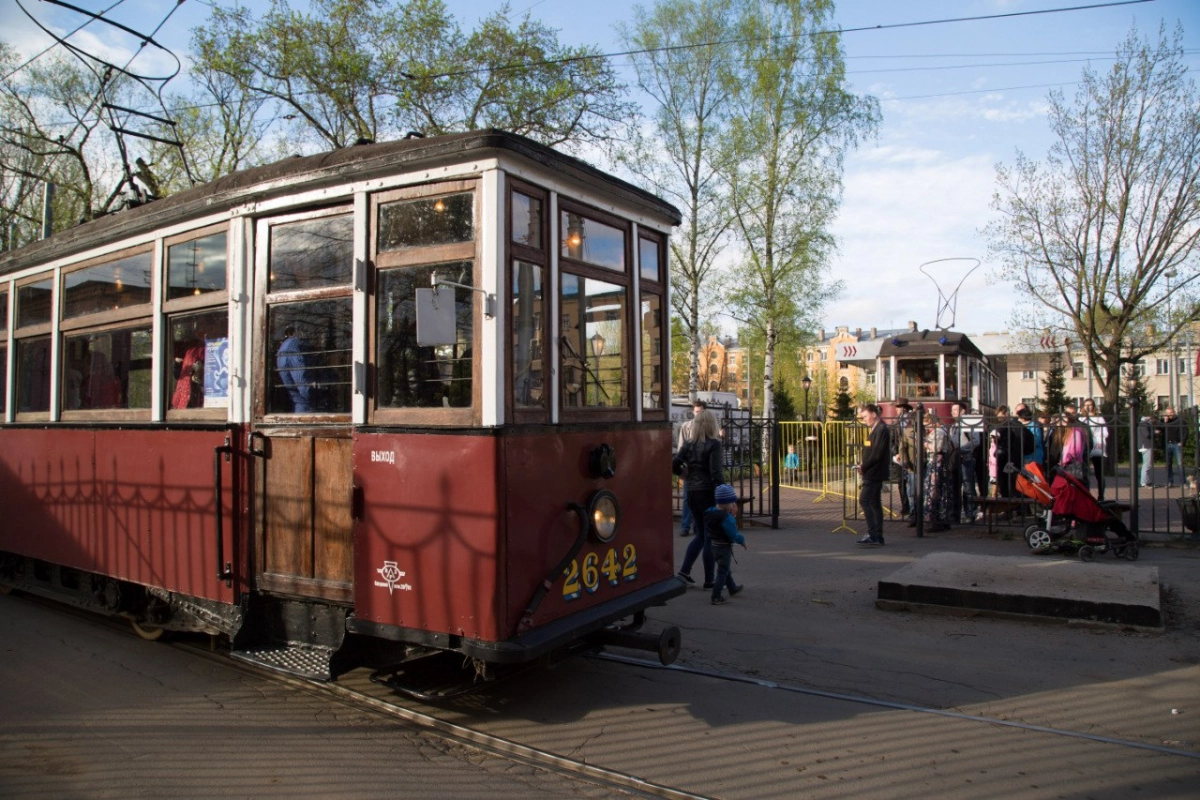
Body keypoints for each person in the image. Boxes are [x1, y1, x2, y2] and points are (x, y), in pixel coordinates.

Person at [674, 408, 724, 587]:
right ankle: (709, 580)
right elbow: (716, 473)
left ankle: (684, 571)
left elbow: (674, 464)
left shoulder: (688, 443)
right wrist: (725, 497)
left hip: (692, 493)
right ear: (712, 424)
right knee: (709, 536)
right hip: (708, 493)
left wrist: (684, 473)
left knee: (702, 535)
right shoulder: (714, 444)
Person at [855, 403, 890, 546]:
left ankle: (873, 533)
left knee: (865, 500)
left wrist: (864, 466)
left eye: (865, 417)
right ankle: (877, 535)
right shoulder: (876, 429)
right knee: (875, 503)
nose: (864, 420)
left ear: (874, 414)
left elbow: (877, 454)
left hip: (874, 472)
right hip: (872, 471)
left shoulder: (881, 429)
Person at [706, 483, 746, 605]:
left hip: (713, 545)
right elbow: (733, 534)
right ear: (728, 503)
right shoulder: (727, 518)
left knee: (725, 569)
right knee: (722, 572)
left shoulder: (710, 513)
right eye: (732, 503)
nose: (734, 505)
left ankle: (732, 587)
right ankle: (716, 595)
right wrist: (742, 540)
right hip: (724, 547)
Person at [676, 400, 707, 536]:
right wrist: (682, 469)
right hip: (690, 468)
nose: (698, 414)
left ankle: (697, 525)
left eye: (700, 412)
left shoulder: (708, 428)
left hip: (703, 469)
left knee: (702, 497)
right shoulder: (686, 426)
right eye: (696, 412)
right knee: (688, 498)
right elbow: (681, 448)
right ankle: (685, 526)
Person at [922, 410, 954, 531]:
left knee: (935, 490)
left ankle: (936, 519)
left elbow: (937, 448)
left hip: (937, 463)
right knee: (937, 490)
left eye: (926, 425)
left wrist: (925, 443)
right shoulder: (939, 431)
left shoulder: (939, 432)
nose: (926, 428)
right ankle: (940, 518)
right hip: (936, 463)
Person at [949, 400, 981, 524]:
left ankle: (970, 513)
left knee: (968, 487)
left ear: (963, 411)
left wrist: (961, 449)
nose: (953, 413)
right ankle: (955, 515)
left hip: (966, 459)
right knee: (955, 487)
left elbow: (975, 441)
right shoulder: (954, 426)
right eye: (952, 411)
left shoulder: (969, 423)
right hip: (956, 459)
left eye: (955, 410)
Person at [277, 324, 313, 412]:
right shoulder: (298, 343)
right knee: (303, 393)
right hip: (293, 355)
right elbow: (302, 382)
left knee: (296, 397)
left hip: (282, 358)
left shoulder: (283, 346)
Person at [171, 323, 208, 409]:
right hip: (183, 396)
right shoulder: (190, 349)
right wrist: (177, 364)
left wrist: (200, 372)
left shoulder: (208, 348)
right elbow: (179, 375)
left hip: (197, 398)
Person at [1080, 399, 1109, 500]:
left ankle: (1101, 495)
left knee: (1099, 474)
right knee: (1084, 472)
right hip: (1085, 448)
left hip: (1097, 447)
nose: (1088, 407)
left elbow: (1105, 432)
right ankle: (1086, 496)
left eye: (1090, 405)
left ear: (1093, 406)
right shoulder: (1082, 419)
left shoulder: (1099, 418)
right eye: (1086, 405)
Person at [1161, 407, 1187, 487]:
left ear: (1174, 412)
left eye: (1171, 413)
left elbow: (1185, 431)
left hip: (1176, 443)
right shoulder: (1164, 421)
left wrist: (1182, 441)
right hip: (1167, 444)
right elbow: (1159, 429)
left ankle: (1183, 482)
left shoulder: (1179, 420)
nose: (1169, 415)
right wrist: (1165, 422)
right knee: (1168, 464)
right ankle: (1169, 482)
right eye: (1168, 413)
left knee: (1180, 463)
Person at [1137, 412, 1156, 488]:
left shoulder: (1144, 423)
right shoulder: (1144, 424)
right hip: (1146, 446)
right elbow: (1147, 434)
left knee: (1148, 464)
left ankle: (1147, 481)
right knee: (1147, 465)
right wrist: (1154, 432)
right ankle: (1144, 482)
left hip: (1145, 446)